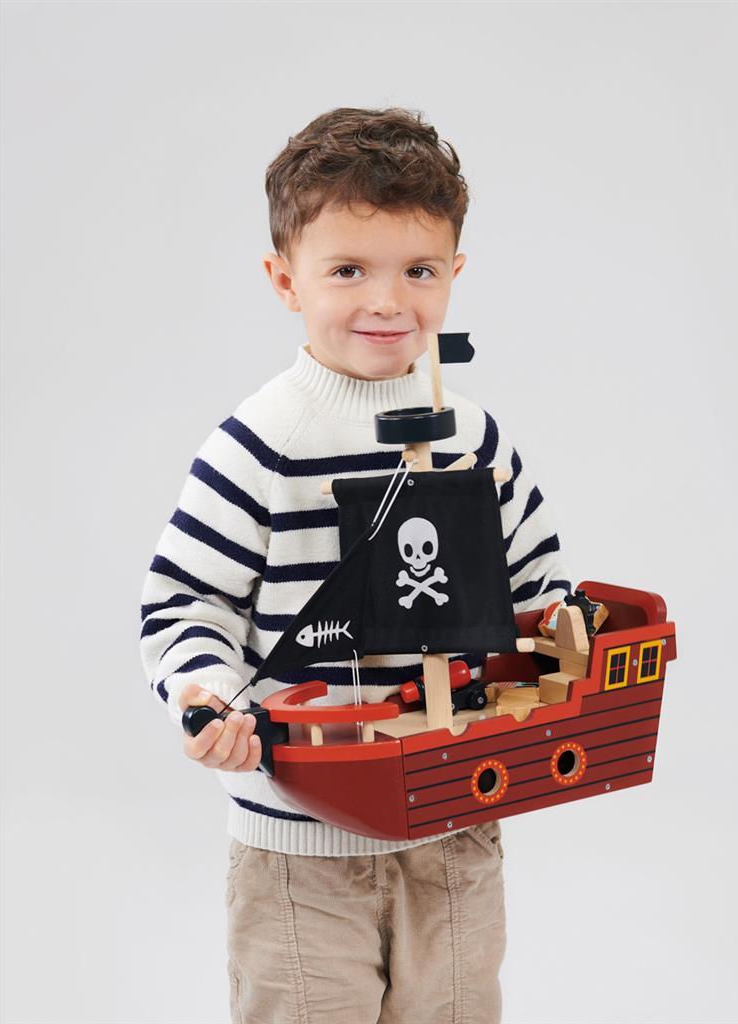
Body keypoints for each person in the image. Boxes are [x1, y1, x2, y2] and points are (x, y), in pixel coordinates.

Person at [139, 106, 572, 1024]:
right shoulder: (259, 444)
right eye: (347, 270)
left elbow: (536, 587)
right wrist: (205, 693)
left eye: (418, 270)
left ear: (454, 274)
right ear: (284, 279)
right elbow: (187, 603)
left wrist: (563, 643)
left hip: (455, 823)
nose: (386, 301)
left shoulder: (473, 439)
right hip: (299, 845)